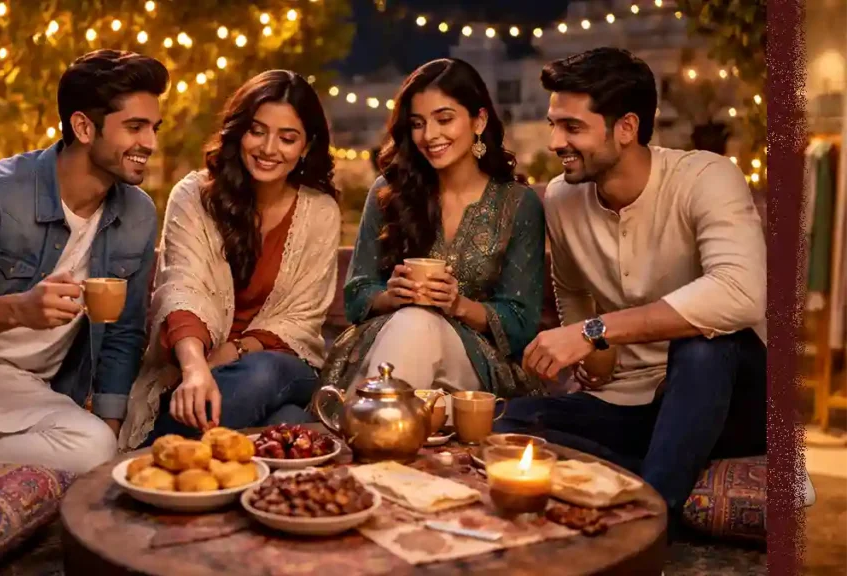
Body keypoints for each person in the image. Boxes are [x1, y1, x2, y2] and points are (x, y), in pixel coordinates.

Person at [497, 47, 769, 528]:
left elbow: (740, 293)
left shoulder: (707, 177)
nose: (556, 141)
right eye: (553, 124)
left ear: (626, 127)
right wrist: (592, 357)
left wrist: (594, 331)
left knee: (702, 347)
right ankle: (651, 474)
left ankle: (649, 521)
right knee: (514, 422)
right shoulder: (562, 199)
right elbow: (576, 306)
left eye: (572, 127)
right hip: (632, 403)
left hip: (727, 394)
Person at [0, 50, 167, 474]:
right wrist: (16, 310)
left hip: (28, 396)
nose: (149, 143)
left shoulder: (137, 214)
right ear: (83, 127)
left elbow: (123, 335)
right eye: (134, 127)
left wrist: (110, 436)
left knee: (94, 444)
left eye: (153, 128)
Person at [117, 70, 341, 450]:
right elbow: (180, 288)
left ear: (305, 147)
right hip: (193, 372)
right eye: (257, 131)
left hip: (284, 365)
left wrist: (232, 353)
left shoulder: (320, 212)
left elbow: (299, 322)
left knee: (262, 373)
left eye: (287, 138)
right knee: (288, 424)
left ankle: (155, 460)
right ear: (239, 132)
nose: (269, 148)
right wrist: (196, 367)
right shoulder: (193, 195)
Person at [318, 58, 546, 405]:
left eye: (444, 119)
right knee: (412, 321)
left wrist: (458, 305)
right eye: (418, 123)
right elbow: (356, 295)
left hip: (474, 367)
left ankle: (367, 431)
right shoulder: (390, 191)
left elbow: (520, 321)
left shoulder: (517, 204)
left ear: (479, 120)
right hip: (386, 346)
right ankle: (382, 433)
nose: (430, 135)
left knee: (418, 323)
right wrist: (391, 295)